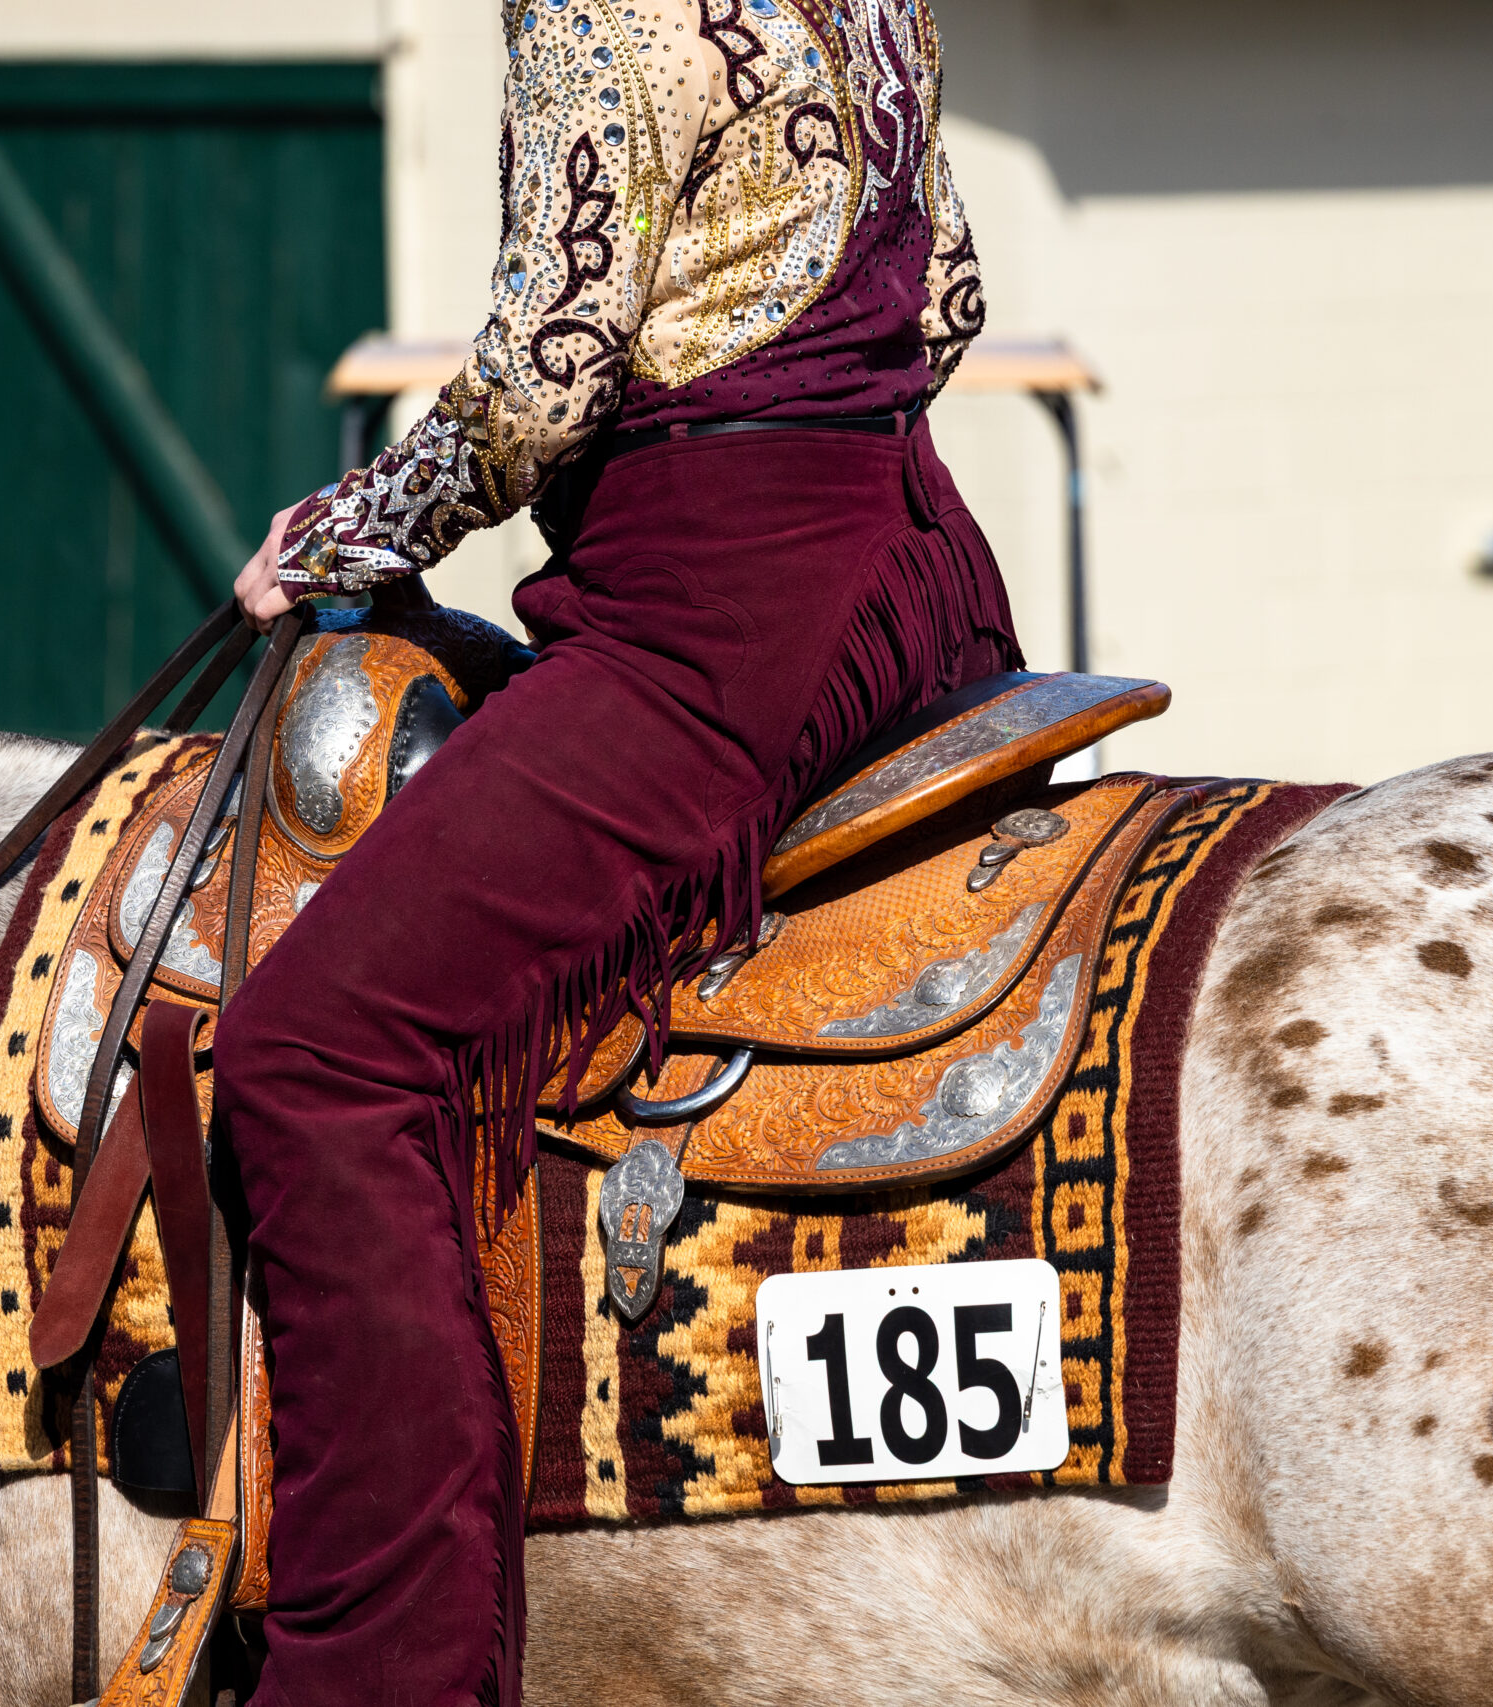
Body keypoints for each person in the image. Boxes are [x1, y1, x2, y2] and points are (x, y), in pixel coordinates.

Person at [214, 2, 1019, 1700]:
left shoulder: (594, 5)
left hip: (721, 622)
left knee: (314, 1056)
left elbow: (541, 378)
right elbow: (946, 302)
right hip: (925, 575)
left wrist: (343, 533)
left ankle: (390, 1669)